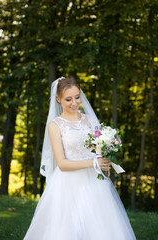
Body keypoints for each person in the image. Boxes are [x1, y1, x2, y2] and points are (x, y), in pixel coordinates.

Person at [23, 76, 136, 240]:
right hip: (68, 183)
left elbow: (96, 147)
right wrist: (93, 162)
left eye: (77, 97)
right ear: (58, 99)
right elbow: (61, 164)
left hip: (94, 180)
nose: (74, 102)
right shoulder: (55, 125)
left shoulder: (89, 120)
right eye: (68, 99)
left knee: (99, 224)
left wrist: (103, 160)